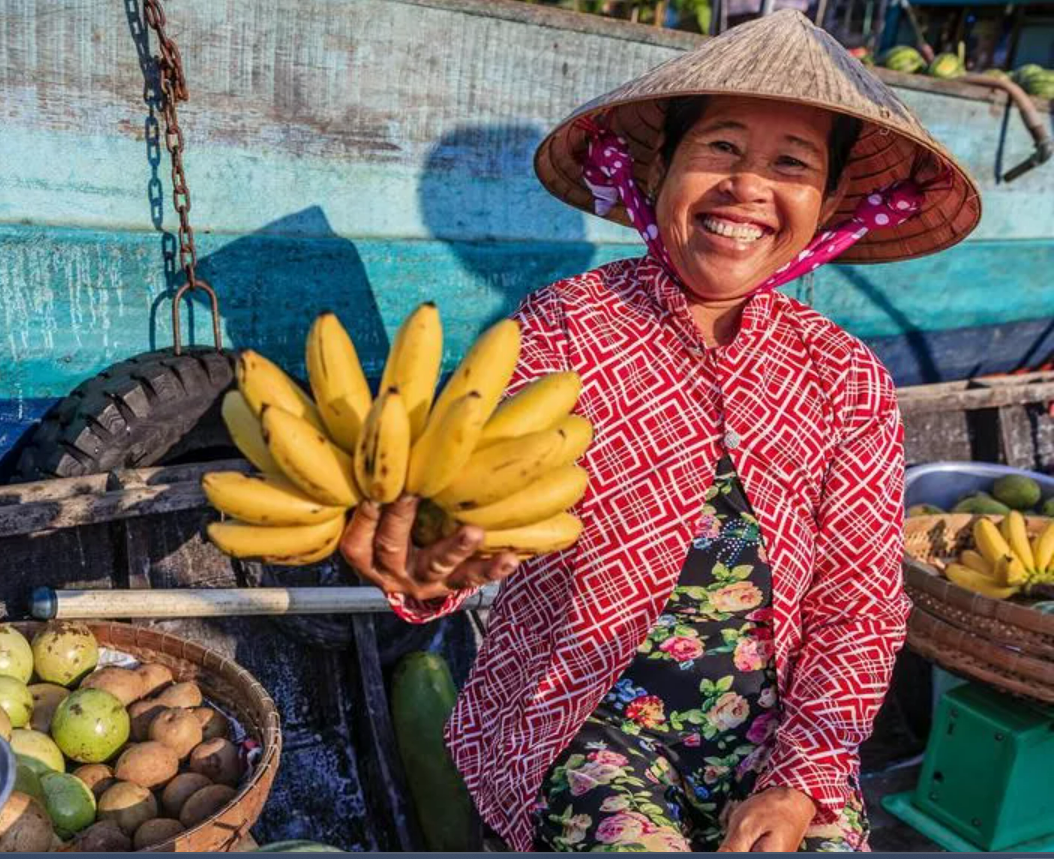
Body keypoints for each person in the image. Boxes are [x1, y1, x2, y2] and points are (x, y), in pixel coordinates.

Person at [340, 10, 979, 852]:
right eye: (719, 148)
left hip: (777, 736)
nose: (749, 186)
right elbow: (476, 512)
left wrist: (799, 777)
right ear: (661, 170)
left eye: (791, 164)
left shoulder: (844, 373)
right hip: (580, 723)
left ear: (823, 208)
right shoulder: (562, 329)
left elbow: (857, 602)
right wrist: (428, 567)